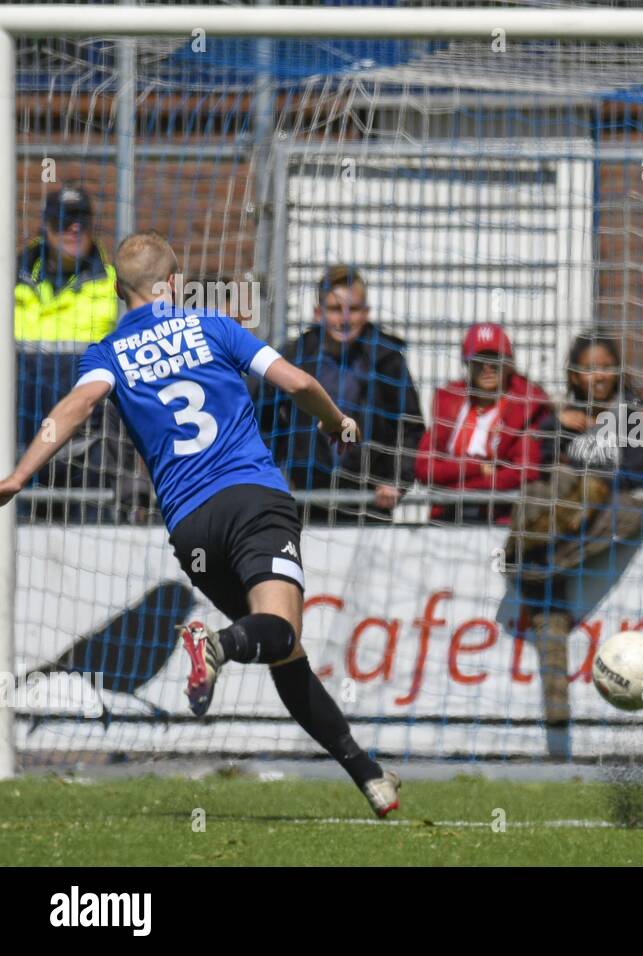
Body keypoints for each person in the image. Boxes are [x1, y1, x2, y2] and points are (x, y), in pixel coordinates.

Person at [0, 231, 401, 818]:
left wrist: (17, 476)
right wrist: (337, 421)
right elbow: (298, 383)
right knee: (280, 633)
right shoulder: (213, 327)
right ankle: (214, 645)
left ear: (116, 288)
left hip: (190, 530)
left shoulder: (107, 353)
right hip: (253, 499)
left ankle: (367, 774)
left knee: (281, 650)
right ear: (177, 284)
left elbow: (70, 412)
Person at [504, 332, 643, 758]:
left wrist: (587, 466)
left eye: (605, 366)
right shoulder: (558, 419)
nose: (598, 376)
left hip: (598, 522)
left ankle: (525, 558)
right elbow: (539, 469)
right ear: (574, 374)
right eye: (588, 368)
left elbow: (641, 475)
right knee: (547, 492)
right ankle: (556, 711)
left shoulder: (634, 417)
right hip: (566, 525)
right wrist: (558, 426)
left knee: (613, 500)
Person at [254, 265, 425, 524]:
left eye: (353, 309)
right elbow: (263, 421)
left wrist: (396, 482)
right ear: (318, 313)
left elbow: (410, 427)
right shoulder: (294, 357)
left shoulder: (387, 359)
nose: (344, 319)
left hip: (369, 503)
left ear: (366, 313)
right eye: (335, 309)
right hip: (304, 501)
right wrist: (273, 476)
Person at [15, 186, 130, 520]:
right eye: (63, 221)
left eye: (81, 220)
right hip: (21, 435)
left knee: (91, 532)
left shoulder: (115, 283)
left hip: (89, 437)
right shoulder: (13, 279)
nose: (74, 229)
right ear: (45, 226)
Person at [414, 322, 548, 524]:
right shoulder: (449, 403)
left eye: (494, 360)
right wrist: (477, 468)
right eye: (478, 360)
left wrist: (457, 489)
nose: (487, 368)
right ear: (467, 364)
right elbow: (425, 469)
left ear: (508, 363)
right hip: (447, 518)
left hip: (499, 519)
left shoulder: (526, 407)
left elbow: (525, 471)